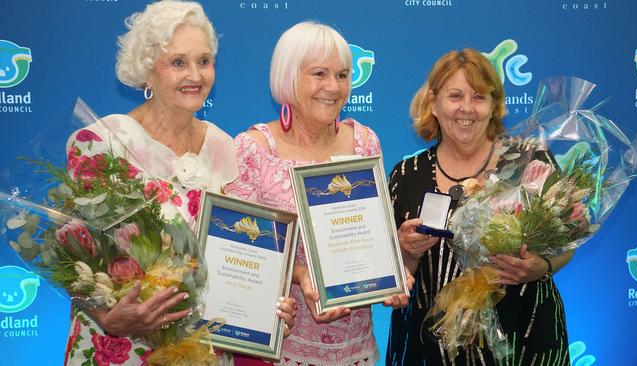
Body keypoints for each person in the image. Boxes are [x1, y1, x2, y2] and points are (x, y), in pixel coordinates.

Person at [63, 2, 296, 365]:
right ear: (146, 71)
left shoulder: (223, 145)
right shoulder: (102, 143)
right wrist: (107, 317)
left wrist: (266, 304)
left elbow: (239, 250)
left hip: (201, 349)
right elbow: (72, 255)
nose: (195, 74)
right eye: (178, 62)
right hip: (123, 347)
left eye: (204, 61)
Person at [224, 21, 411, 365]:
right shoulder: (252, 149)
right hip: (282, 350)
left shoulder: (364, 141)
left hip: (357, 348)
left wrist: (393, 271)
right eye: (319, 74)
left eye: (342, 75)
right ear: (288, 76)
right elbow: (239, 257)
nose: (333, 87)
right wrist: (299, 275)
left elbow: (372, 232)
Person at [386, 48, 573, 365]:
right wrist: (404, 252)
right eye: (455, 96)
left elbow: (567, 242)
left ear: (495, 105)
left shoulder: (531, 162)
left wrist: (543, 265)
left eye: (479, 97)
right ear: (433, 102)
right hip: (431, 345)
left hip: (525, 338)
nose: (467, 109)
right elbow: (391, 275)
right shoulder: (405, 176)